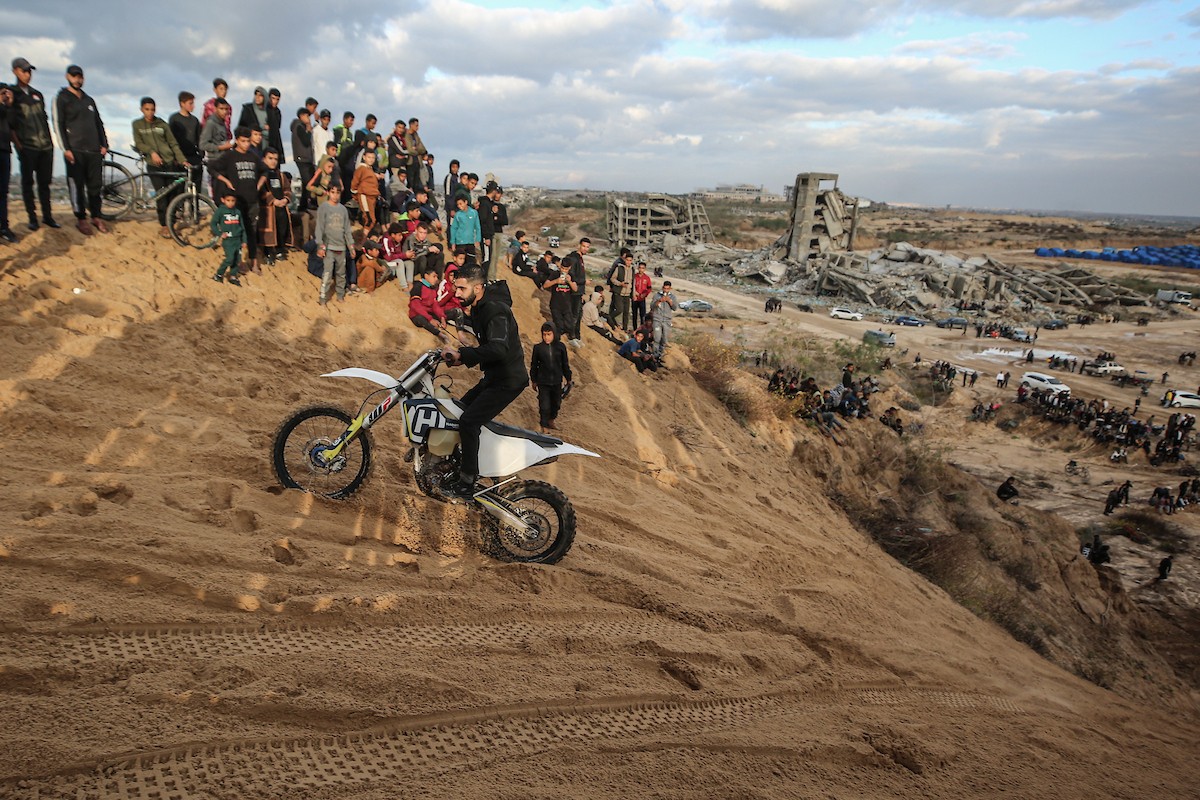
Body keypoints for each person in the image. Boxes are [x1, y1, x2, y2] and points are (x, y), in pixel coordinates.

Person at [440, 264, 528, 499]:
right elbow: (487, 348)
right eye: (455, 288)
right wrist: (460, 356)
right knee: (459, 411)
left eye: (461, 288)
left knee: (469, 422)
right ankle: (455, 463)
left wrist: (464, 356)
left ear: (478, 288)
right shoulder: (479, 307)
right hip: (494, 376)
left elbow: (498, 349)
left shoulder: (495, 310)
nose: (456, 293)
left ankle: (468, 481)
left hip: (508, 381)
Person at [55, 65, 109, 236]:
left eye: (80, 76)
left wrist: (104, 144)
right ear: (67, 77)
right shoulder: (62, 98)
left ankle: (96, 216)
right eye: (74, 76)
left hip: (93, 150)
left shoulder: (89, 100)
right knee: (77, 186)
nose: (78, 79)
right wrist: (66, 148)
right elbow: (59, 124)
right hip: (75, 149)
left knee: (95, 186)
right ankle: (81, 219)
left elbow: (98, 123)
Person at [10, 57, 58, 231]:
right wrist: (19, 146)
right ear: (15, 71)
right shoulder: (11, 94)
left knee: (45, 184)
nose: (27, 74)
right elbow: (10, 124)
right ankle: (32, 218)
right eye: (24, 71)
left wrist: (51, 143)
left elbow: (44, 120)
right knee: (27, 183)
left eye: (29, 71)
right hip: (27, 147)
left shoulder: (38, 94)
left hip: (45, 146)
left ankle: (47, 216)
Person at [132, 97, 187, 239]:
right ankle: (164, 225)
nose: (150, 112)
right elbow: (139, 143)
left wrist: (182, 160)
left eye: (152, 109)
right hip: (153, 164)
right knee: (161, 194)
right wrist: (152, 152)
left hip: (169, 162)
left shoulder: (162, 124)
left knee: (172, 194)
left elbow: (173, 143)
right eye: (147, 109)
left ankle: (171, 224)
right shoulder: (137, 124)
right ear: (142, 109)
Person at [212, 127, 263, 271]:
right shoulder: (230, 157)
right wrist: (226, 182)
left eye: (248, 141)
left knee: (252, 232)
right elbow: (212, 168)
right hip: (237, 201)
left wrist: (258, 186)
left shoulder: (253, 157)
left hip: (252, 200)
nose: (246, 144)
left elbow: (264, 170)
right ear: (237, 141)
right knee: (238, 232)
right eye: (243, 141)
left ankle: (253, 262)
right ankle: (238, 262)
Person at [314, 184, 356, 305]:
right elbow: (319, 228)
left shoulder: (343, 209)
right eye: (333, 192)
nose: (335, 195)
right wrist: (320, 245)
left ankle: (340, 295)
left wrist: (351, 246)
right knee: (327, 273)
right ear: (328, 193)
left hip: (341, 247)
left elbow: (347, 230)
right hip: (328, 246)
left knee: (341, 274)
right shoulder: (324, 208)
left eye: (338, 193)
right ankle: (323, 297)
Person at [530, 323, 572, 431]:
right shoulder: (538, 348)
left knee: (556, 403)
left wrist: (568, 378)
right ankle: (544, 426)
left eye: (549, 334)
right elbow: (534, 365)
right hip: (543, 381)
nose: (546, 337)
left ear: (554, 333)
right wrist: (534, 380)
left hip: (557, 381)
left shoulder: (561, 347)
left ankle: (551, 420)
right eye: (544, 335)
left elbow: (565, 364)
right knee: (544, 405)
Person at [257, 147, 291, 264]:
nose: (273, 161)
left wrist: (286, 199)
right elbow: (260, 191)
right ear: (263, 159)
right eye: (270, 158)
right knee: (267, 232)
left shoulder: (280, 175)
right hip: (267, 209)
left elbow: (287, 189)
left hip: (281, 207)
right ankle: (267, 253)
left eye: (275, 159)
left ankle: (279, 250)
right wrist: (272, 200)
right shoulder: (260, 174)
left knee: (282, 228)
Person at [168, 91, 204, 195]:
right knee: (179, 187)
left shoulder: (194, 120)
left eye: (193, 103)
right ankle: (178, 208)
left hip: (193, 156)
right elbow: (171, 139)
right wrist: (175, 157)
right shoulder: (174, 119)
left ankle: (195, 209)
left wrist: (201, 156)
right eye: (190, 103)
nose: (193, 106)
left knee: (196, 186)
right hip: (180, 157)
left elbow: (199, 139)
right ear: (182, 103)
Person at [210, 188, 244, 286]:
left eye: (233, 201)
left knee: (237, 259)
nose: (231, 203)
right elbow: (213, 223)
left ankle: (233, 276)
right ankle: (219, 274)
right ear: (223, 200)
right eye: (228, 200)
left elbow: (242, 227)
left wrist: (244, 240)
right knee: (229, 258)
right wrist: (220, 233)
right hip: (228, 240)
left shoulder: (237, 212)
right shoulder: (220, 211)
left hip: (238, 239)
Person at [560, 238, 591, 345]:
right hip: (573, 292)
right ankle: (571, 336)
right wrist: (584, 281)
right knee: (573, 315)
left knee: (578, 314)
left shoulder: (580, 258)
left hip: (579, 292)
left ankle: (577, 336)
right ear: (579, 245)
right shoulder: (574, 258)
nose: (585, 249)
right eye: (584, 246)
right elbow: (571, 277)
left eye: (587, 247)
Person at [542, 255, 576, 343]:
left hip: (567, 305)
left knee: (570, 324)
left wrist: (569, 281)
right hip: (555, 305)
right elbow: (545, 285)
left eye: (566, 269)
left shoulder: (571, 275)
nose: (564, 271)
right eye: (562, 268)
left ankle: (571, 339)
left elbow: (575, 289)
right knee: (558, 325)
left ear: (570, 268)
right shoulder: (555, 274)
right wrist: (556, 281)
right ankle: (556, 341)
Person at [408, 262, 447, 336]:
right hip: (418, 314)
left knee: (447, 314)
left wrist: (442, 317)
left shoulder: (432, 289)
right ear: (426, 276)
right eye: (434, 276)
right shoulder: (418, 286)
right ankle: (439, 334)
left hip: (428, 314)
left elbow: (435, 305)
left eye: (436, 277)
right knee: (420, 319)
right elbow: (415, 305)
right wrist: (430, 319)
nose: (436, 279)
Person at [351, 148, 381, 234]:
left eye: (373, 158)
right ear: (364, 157)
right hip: (365, 195)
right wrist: (355, 194)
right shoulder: (361, 168)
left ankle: (363, 239)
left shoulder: (370, 169)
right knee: (369, 220)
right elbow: (355, 182)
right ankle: (361, 241)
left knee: (372, 220)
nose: (371, 159)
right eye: (369, 157)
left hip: (372, 197)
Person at [291, 107, 315, 209]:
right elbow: (305, 141)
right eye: (306, 116)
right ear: (301, 116)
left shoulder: (300, 126)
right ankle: (307, 203)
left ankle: (303, 205)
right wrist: (309, 131)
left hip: (306, 158)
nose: (308, 118)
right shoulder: (299, 126)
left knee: (307, 181)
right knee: (308, 181)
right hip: (302, 158)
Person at [649, 280, 678, 360]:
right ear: (662, 288)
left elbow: (675, 308)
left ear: (670, 289)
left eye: (667, 289)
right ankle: (654, 355)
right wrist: (659, 301)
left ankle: (660, 354)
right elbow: (652, 306)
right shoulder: (657, 295)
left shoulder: (673, 297)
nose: (666, 290)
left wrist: (669, 301)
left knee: (664, 339)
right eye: (664, 288)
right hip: (657, 319)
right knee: (657, 338)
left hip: (667, 320)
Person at [0, 81, 14, 242]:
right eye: (3, 93)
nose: (5, 96)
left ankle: (4, 227)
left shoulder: (6, 110)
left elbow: (13, 123)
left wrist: (9, 104)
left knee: (3, 193)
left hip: (4, 150)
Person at [608, 251, 633, 332]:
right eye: (627, 260)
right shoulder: (619, 268)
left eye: (630, 260)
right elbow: (612, 279)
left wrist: (633, 293)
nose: (628, 262)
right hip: (619, 292)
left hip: (627, 294)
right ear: (624, 260)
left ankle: (625, 328)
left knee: (626, 312)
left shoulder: (632, 270)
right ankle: (609, 317)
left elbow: (633, 282)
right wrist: (620, 284)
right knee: (619, 309)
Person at [403, 117, 428, 190]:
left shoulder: (416, 135)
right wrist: (418, 151)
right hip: (410, 162)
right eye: (416, 125)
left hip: (417, 162)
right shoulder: (407, 135)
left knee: (416, 184)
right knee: (410, 183)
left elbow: (422, 148)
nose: (418, 127)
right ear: (411, 125)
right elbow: (410, 150)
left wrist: (417, 149)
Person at [264, 88, 284, 160]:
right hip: (265, 141)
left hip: (275, 142)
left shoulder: (278, 112)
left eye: (277, 99)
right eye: (273, 98)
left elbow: (278, 127)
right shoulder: (263, 109)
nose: (275, 101)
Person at [632, 261, 652, 328]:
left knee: (642, 315)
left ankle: (642, 329)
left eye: (643, 268)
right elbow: (631, 286)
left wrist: (645, 294)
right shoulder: (634, 277)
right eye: (640, 268)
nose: (641, 269)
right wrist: (634, 293)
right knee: (634, 315)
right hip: (635, 299)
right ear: (638, 268)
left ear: (645, 269)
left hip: (642, 299)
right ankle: (635, 329)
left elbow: (649, 288)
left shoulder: (647, 278)